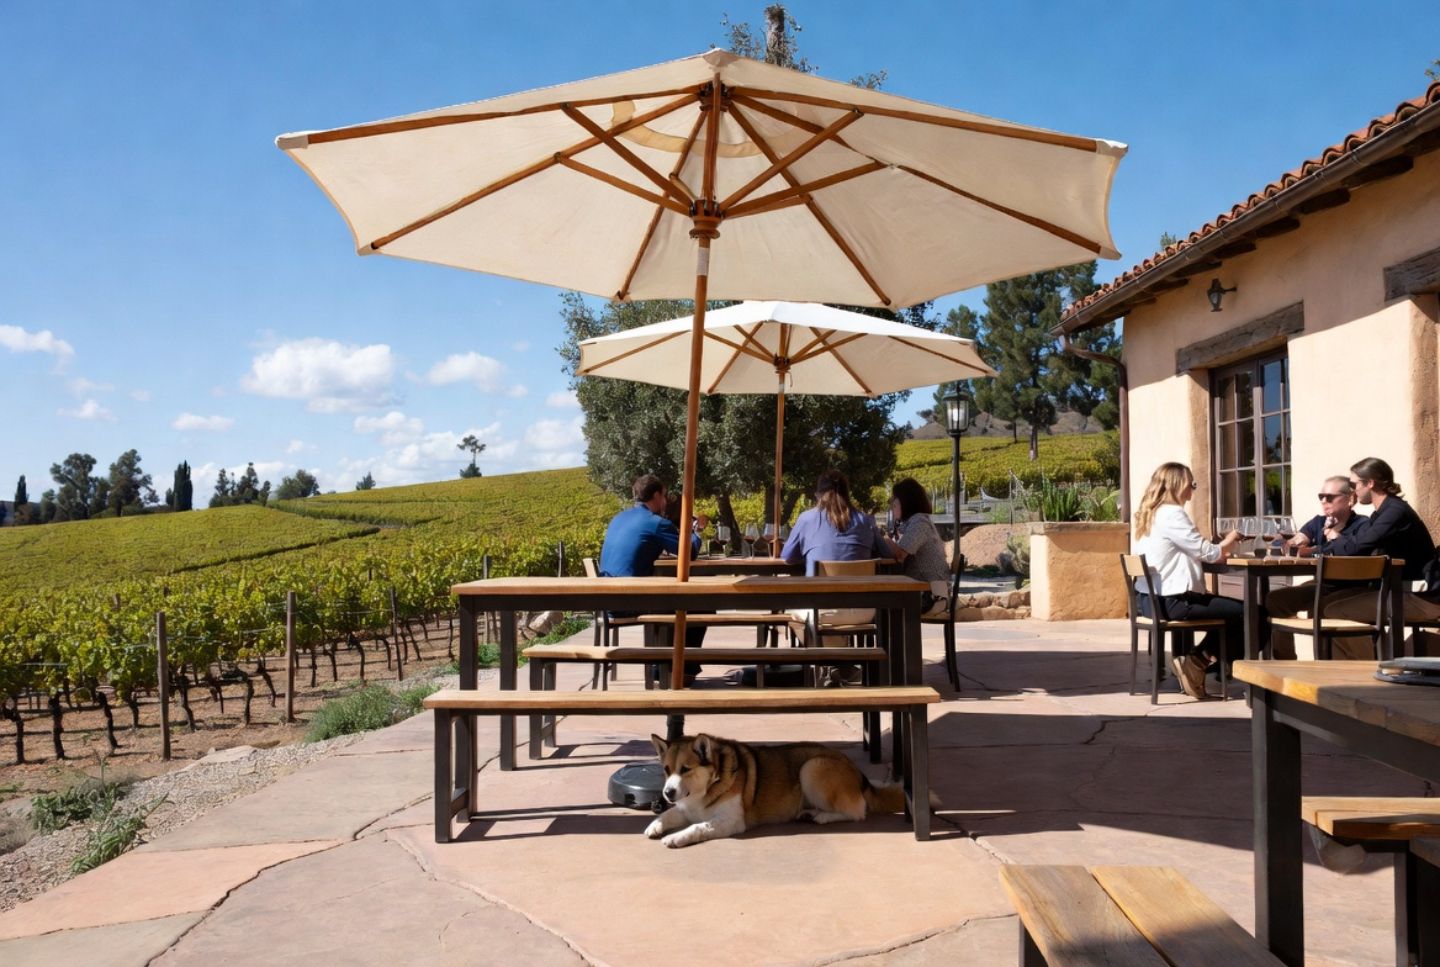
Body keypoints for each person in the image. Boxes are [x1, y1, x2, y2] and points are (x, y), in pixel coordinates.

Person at [1132, 463, 1245, 699]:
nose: (1193, 491)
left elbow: (1193, 550)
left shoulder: (1149, 514)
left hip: (1149, 600)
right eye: (1191, 484)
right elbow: (1210, 553)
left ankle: (1196, 663)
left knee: (1244, 612)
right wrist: (1232, 540)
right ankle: (1199, 663)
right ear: (1178, 485)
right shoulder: (1172, 514)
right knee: (1252, 614)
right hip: (1174, 601)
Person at [1313, 457, 1440, 657]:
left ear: (1370, 483)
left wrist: (1326, 550)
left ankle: (1374, 666)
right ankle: (1347, 674)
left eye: (1354, 485)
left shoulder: (1394, 512)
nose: (1352, 491)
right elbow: (1357, 542)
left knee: (1335, 612)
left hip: (1425, 598)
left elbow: (1360, 545)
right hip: (1398, 591)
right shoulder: (1382, 512)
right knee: (1323, 606)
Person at [780, 469, 887, 683]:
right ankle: (840, 666)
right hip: (865, 611)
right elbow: (886, 553)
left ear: (819, 494)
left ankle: (834, 664)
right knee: (821, 614)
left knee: (792, 613)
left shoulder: (807, 519)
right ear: (848, 494)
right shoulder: (866, 521)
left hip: (822, 610)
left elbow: (788, 557)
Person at [599, 473, 706, 679]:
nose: (665, 502)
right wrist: (695, 531)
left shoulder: (618, 518)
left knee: (675, 602)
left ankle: (667, 665)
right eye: (664, 496)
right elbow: (689, 552)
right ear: (656, 495)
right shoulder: (656, 522)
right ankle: (679, 669)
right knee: (701, 603)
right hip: (630, 600)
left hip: (606, 600)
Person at [1264, 476, 1365, 659]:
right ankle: (1285, 665)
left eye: (1330, 497)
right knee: (1274, 600)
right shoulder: (1319, 522)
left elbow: (1354, 553)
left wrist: (1333, 539)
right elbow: (1300, 539)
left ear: (1350, 499)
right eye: (1321, 497)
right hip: (1322, 584)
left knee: (1321, 606)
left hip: (1351, 588)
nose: (1324, 501)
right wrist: (1292, 541)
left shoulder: (1362, 526)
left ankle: (1329, 664)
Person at [883, 478, 951, 617]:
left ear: (906, 501)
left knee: (881, 605)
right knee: (883, 604)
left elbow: (900, 554)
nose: (892, 504)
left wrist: (881, 537)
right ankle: (892, 637)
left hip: (932, 597)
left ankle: (892, 638)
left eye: (894, 500)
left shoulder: (919, 523)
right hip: (929, 591)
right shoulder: (916, 522)